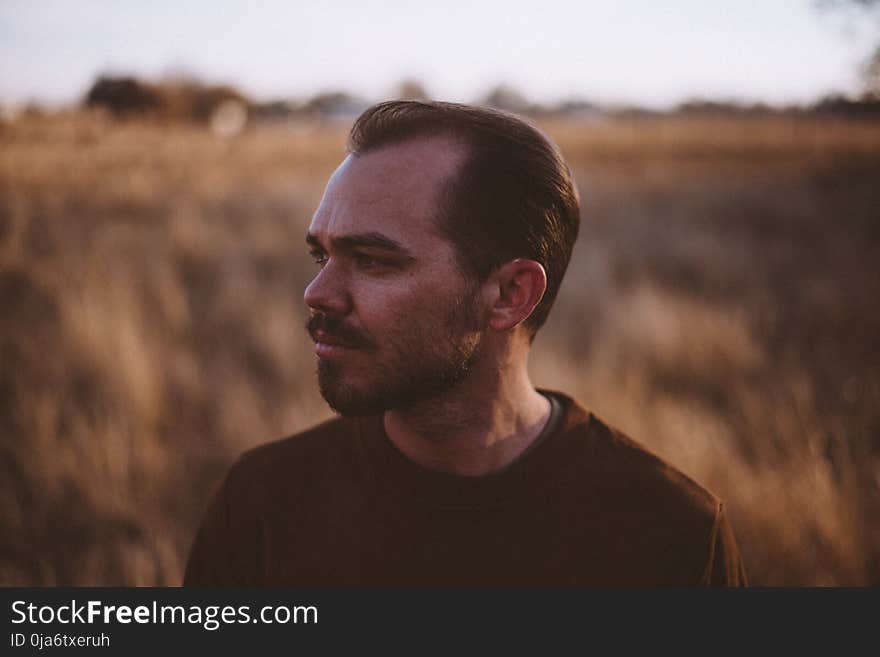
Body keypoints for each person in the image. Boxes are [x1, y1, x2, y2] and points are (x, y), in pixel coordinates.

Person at [184, 100, 748, 586]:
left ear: (509, 294)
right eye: (321, 255)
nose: (317, 293)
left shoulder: (672, 538)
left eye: (374, 261)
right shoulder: (263, 505)